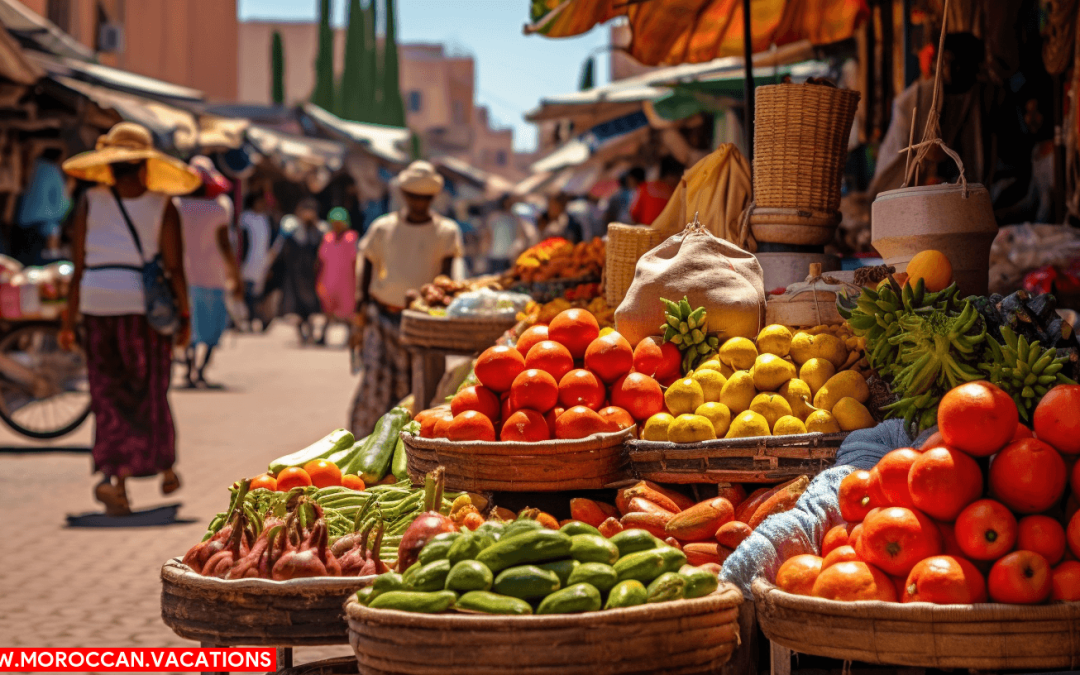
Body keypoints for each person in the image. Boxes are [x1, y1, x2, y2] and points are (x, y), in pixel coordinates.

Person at [59, 122, 198, 515]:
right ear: (144, 166)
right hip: (143, 308)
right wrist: (185, 315)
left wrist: (68, 321)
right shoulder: (161, 204)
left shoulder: (90, 201)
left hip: (96, 303)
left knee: (108, 392)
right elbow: (174, 267)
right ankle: (164, 466)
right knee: (150, 387)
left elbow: (79, 263)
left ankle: (114, 479)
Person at [350, 161, 462, 436]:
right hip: (382, 316)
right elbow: (367, 261)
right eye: (413, 196)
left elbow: (444, 281)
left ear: (433, 198)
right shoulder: (382, 227)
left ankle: (412, 445)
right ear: (403, 194)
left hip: (422, 323)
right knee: (376, 386)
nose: (418, 202)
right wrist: (360, 307)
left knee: (419, 391)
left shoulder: (446, 231)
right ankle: (366, 442)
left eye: (424, 197)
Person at [176, 156, 243, 388]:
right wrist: (235, 274)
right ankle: (202, 370)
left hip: (185, 275)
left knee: (189, 325)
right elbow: (225, 245)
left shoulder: (177, 206)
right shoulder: (221, 207)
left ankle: (189, 367)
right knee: (213, 327)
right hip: (214, 275)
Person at [279, 198, 325, 344]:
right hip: (296, 273)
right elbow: (284, 251)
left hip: (313, 274)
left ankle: (311, 332)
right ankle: (301, 333)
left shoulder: (320, 230)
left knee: (312, 305)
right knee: (297, 306)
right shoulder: (293, 229)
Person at [315, 207, 359, 345]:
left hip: (347, 281)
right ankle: (323, 335)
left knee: (348, 312)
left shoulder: (351, 238)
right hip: (328, 279)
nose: (337, 225)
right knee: (328, 310)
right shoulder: (327, 238)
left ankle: (350, 337)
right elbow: (320, 259)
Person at [238, 192, 273, 329]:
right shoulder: (245, 218)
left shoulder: (264, 219)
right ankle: (248, 320)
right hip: (247, 262)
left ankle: (255, 319)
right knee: (247, 294)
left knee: (257, 294)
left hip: (261, 263)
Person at [631, 157, 684, 225]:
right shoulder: (675, 192)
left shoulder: (644, 187)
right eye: (679, 175)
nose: (679, 179)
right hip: (666, 233)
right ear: (671, 175)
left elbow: (634, 213)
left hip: (644, 230)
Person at [486, 194, 519, 273]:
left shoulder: (514, 218)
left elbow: (518, 235)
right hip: (495, 254)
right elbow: (488, 236)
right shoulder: (494, 217)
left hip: (509, 255)